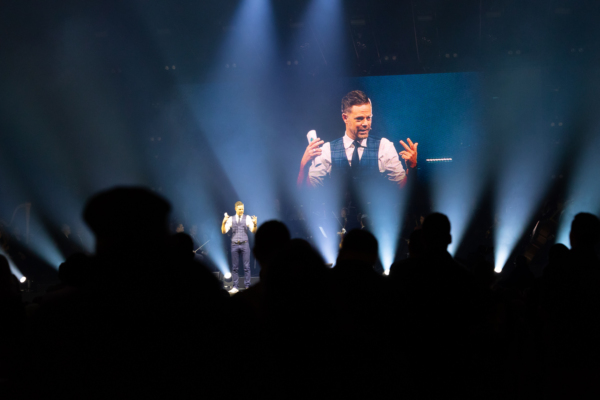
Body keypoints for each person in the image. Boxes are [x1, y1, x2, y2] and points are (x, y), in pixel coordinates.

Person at [297, 90, 418, 188]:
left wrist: (411, 167)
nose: (366, 123)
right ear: (345, 118)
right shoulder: (327, 150)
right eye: (359, 119)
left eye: (368, 118)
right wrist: (304, 165)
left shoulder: (384, 147)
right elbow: (308, 191)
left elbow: (402, 188)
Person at [221, 201, 257, 294]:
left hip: (245, 244)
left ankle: (247, 286)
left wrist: (255, 224)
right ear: (235, 209)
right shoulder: (231, 219)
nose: (241, 211)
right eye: (240, 209)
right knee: (235, 267)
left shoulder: (247, 218)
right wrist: (224, 222)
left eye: (243, 209)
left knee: (246, 267)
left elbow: (253, 230)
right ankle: (235, 286)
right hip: (234, 244)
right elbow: (224, 231)